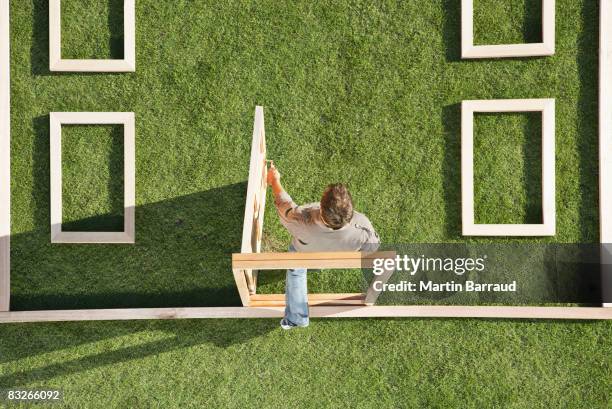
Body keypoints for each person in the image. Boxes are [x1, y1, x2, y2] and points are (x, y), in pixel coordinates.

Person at [267, 162, 380, 330]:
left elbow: (285, 207)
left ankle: (297, 318)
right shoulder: (363, 227)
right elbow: (372, 249)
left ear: (321, 207)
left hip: (305, 254)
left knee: (296, 269)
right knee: (310, 261)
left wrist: (275, 181)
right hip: (332, 258)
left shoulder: (302, 220)